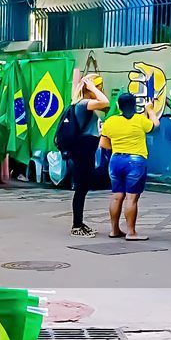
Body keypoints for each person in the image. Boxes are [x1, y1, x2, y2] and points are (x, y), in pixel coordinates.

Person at [98, 91, 158, 241]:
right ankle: (131, 232)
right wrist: (150, 109)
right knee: (131, 198)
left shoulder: (111, 121)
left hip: (116, 160)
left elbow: (104, 144)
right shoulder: (140, 120)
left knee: (117, 196)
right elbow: (155, 125)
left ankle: (114, 230)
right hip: (136, 161)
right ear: (134, 105)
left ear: (118, 105)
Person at [67, 74, 110, 237]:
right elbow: (105, 102)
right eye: (100, 88)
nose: (101, 91)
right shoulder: (84, 104)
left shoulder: (83, 105)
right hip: (82, 151)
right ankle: (76, 225)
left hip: (86, 150)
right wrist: (92, 87)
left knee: (83, 187)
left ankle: (79, 222)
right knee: (81, 188)